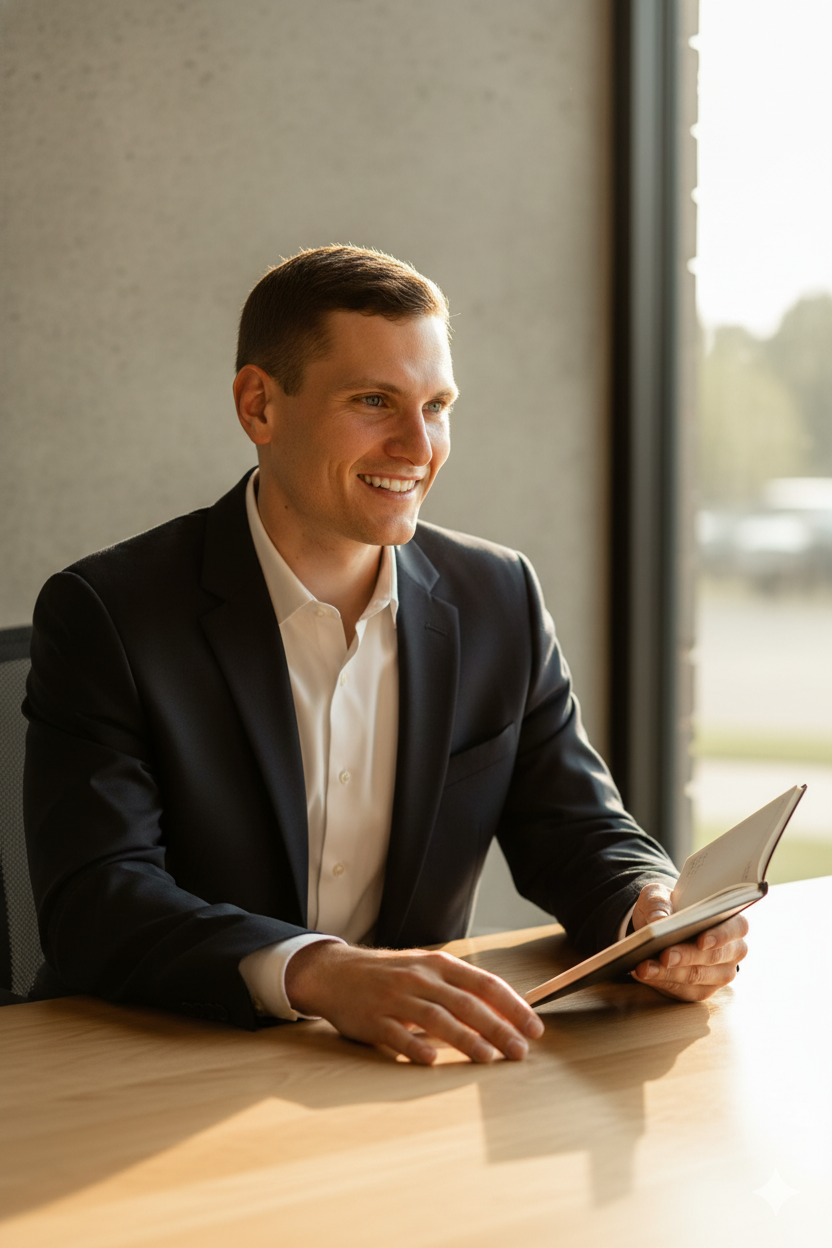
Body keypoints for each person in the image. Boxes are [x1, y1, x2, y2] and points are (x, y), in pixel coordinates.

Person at [23, 246, 748, 1065]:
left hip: (394, 1072)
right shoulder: (110, 613)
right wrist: (322, 973)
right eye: (375, 401)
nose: (417, 444)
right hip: (152, 1064)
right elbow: (96, 900)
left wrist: (648, 913)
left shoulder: (496, 596)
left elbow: (578, 829)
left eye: (437, 405)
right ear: (259, 405)